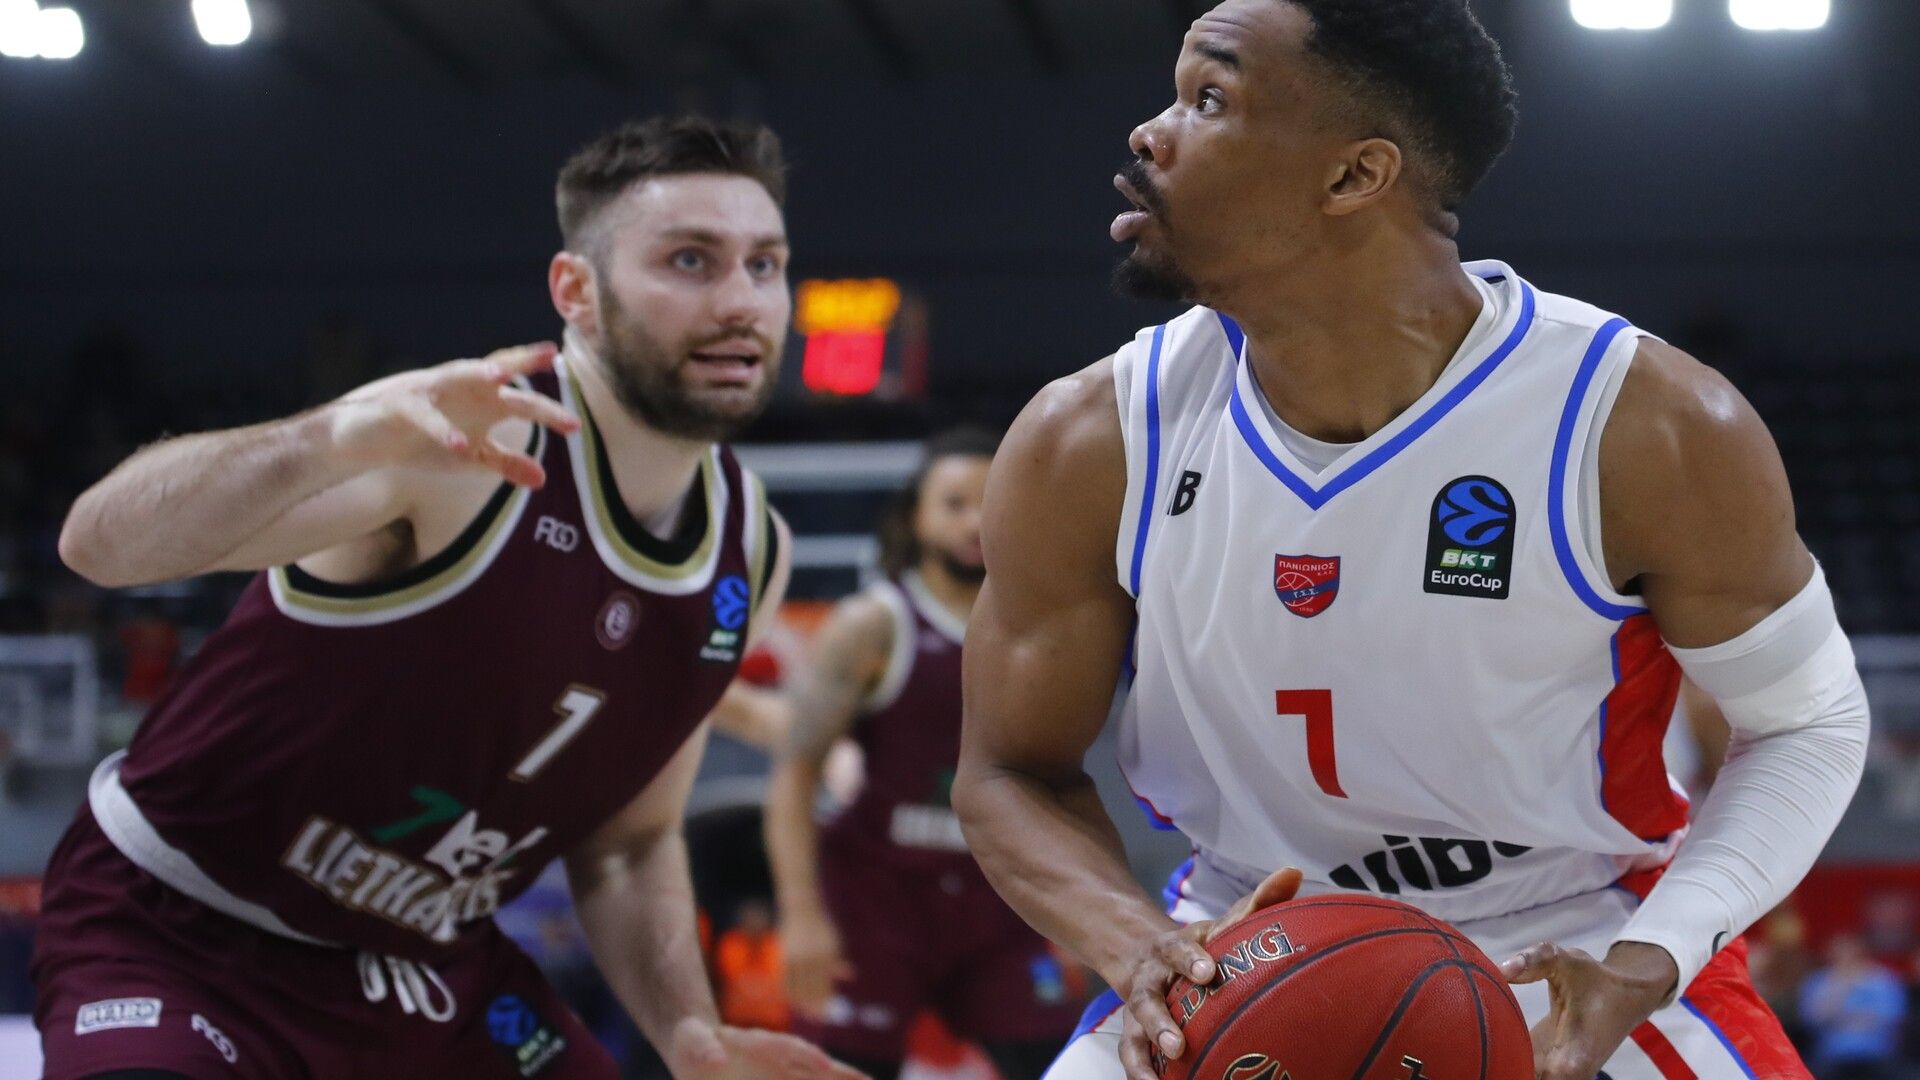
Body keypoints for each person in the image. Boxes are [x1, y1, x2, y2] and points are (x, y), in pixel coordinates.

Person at [950, 3, 1870, 1080]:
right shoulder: (1090, 439)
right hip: (1240, 945)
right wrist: (1137, 945)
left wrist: (1656, 954)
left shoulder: (1642, 423)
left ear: (1355, 175)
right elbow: (1008, 771)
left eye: (1209, 99)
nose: (1149, 133)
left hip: (1570, 941)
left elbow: (1808, 723)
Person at [35, 115, 862, 1080]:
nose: (740, 301)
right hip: (182, 932)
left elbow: (629, 847)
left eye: (765, 265)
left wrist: (688, 1031)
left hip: (426, 974)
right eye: (691, 261)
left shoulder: (750, 551)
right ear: (576, 291)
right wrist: (331, 436)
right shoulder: (459, 451)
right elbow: (97, 543)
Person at [765, 430, 1080, 1080]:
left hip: (1000, 901)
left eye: (989, 503)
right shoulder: (872, 624)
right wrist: (801, 915)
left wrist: (1075, 905)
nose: (973, 522)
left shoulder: (1043, 625)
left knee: (1068, 1062)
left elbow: (1061, 781)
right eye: (954, 503)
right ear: (916, 516)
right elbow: (795, 776)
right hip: (876, 900)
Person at [1798, 935, 1908, 1080]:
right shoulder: (1817, 981)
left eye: (1850, 953)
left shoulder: (1883, 980)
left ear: (1861, 953)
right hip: (1831, 1056)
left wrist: (1841, 1019)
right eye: (1839, 953)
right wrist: (1842, 987)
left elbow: (1889, 1019)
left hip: (1877, 1054)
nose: (1845, 958)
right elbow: (1814, 1020)